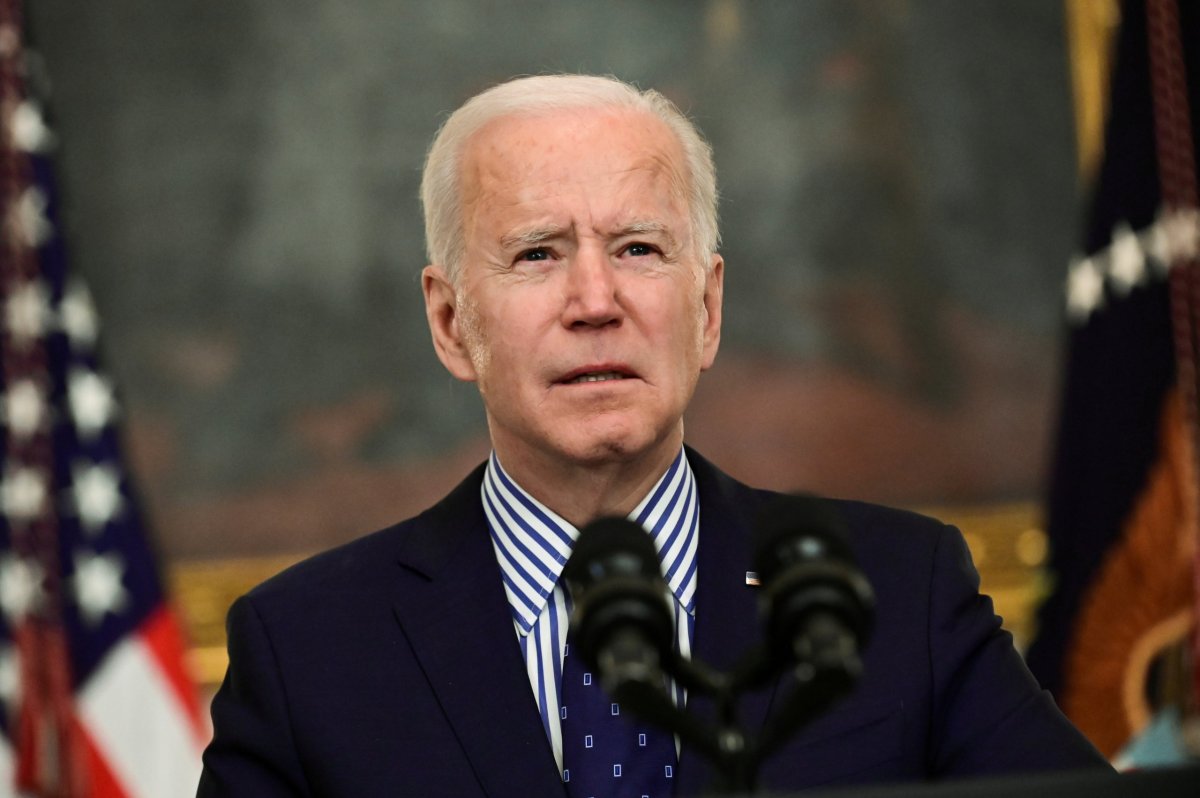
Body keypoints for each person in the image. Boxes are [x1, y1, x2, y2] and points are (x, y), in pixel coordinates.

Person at [197, 74, 1108, 797]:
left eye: (638, 248)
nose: (596, 303)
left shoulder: (902, 594)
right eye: (537, 254)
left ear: (707, 309)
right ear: (450, 323)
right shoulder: (307, 648)